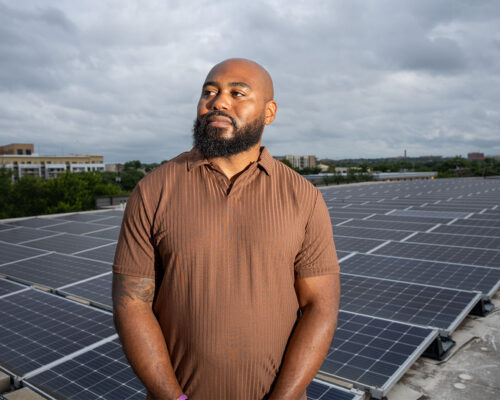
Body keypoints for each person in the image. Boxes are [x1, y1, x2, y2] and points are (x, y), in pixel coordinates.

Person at [112, 58, 340, 400]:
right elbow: (132, 305)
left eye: (238, 93)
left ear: (269, 111)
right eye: (210, 91)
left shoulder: (303, 197)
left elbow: (320, 307)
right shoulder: (153, 190)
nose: (218, 101)